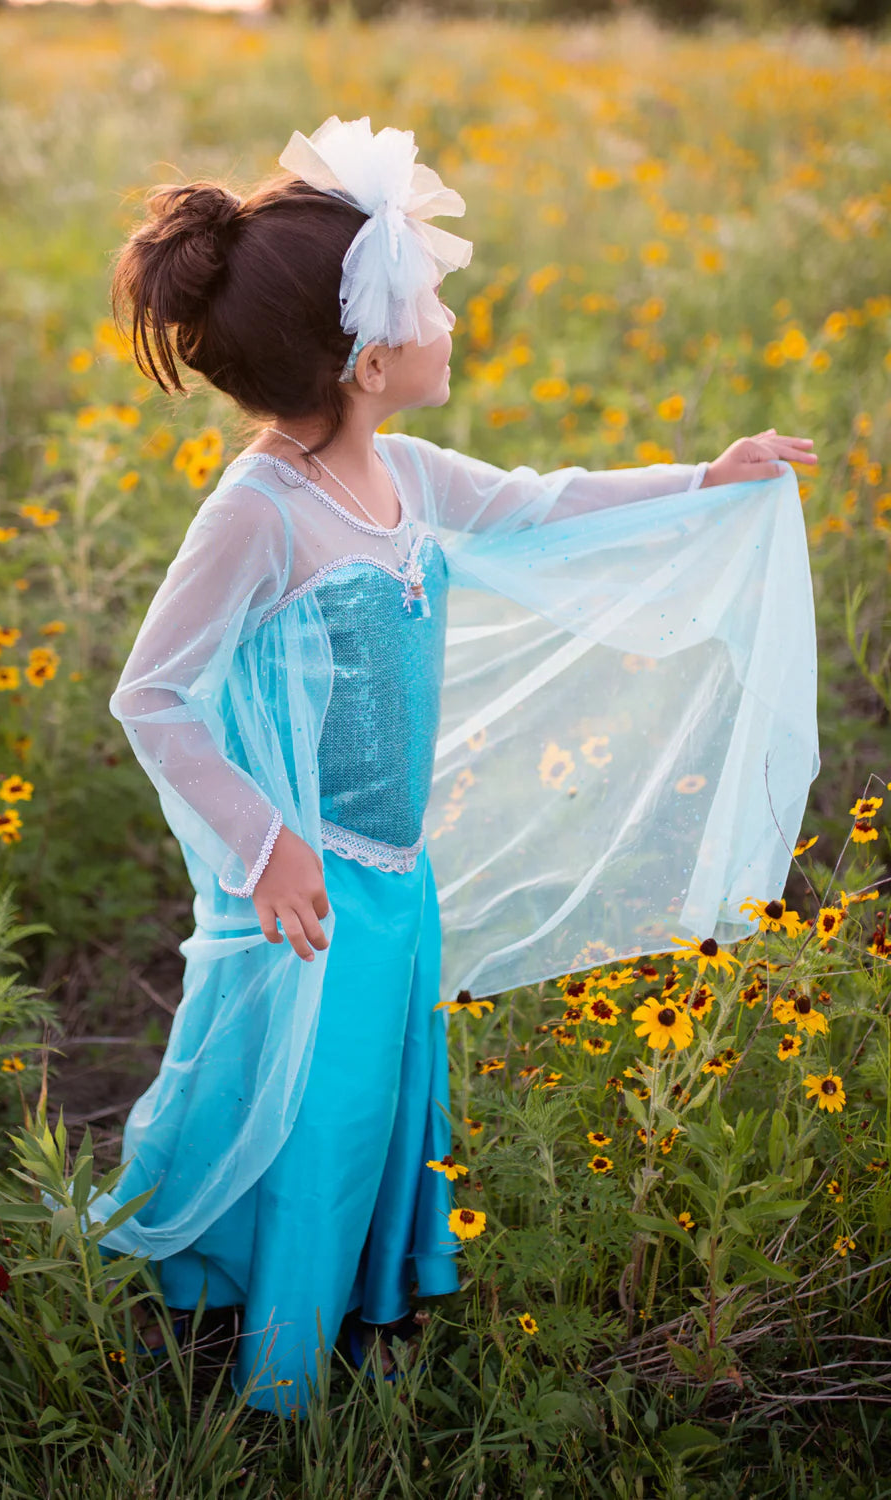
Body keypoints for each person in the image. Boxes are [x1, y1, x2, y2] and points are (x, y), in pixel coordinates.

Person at [83, 115, 819, 1417]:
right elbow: (154, 693)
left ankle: (360, 1314)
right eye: (430, 303)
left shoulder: (405, 474)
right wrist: (265, 843)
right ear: (368, 357)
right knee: (315, 1117)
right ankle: (274, 1379)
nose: (451, 321)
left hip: (397, 875)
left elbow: (540, 503)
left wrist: (702, 478)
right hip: (315, 888)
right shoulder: (260, 512)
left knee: (369, 1109)